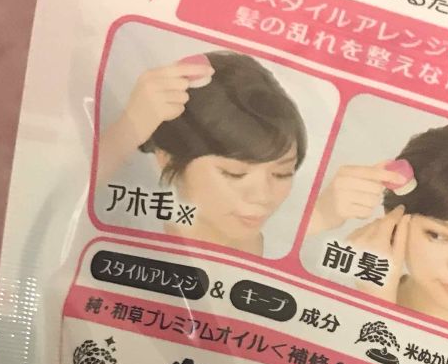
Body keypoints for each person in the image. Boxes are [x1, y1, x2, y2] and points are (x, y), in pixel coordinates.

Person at [309, 123, 448, 336]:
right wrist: (319, 215)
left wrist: (378, 308)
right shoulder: (330, 289)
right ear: (393, 218)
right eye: (438, 236)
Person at [95, 51, 307, 255]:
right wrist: (127, 129)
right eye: (235, 173)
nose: (262, 196)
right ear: (166, 157)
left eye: (282, 173)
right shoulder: (121, 236)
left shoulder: (295, 245)